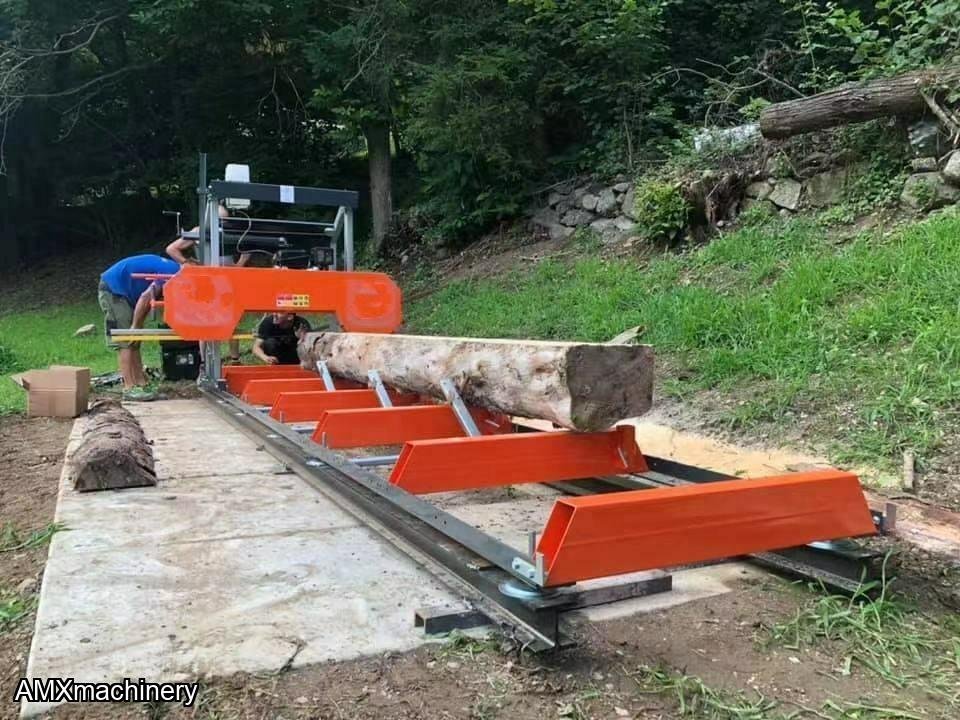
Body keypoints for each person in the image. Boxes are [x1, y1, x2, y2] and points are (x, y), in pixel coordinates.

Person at [166, 203, 252, 363]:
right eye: (220, 221)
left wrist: (239, 265)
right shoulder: (198, 231)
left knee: (232, 320)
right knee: (205, 323)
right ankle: (205, 363)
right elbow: (171, 249)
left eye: (225, 221)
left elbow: (246, 252)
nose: (222, 225)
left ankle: (235, 359)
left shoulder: (232, 232)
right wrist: (186, 262)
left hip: (227, 281)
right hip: (205, 283)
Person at [98, 254, 180, 399]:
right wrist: (136, 325)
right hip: (114, 289)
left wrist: (138, 325)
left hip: (126, 293)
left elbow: (150, 301)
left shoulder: (174, 271)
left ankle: (141, 383)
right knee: (126, 340)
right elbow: (145, 297)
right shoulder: (171, 274)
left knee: (134, 340)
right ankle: (129, 387)